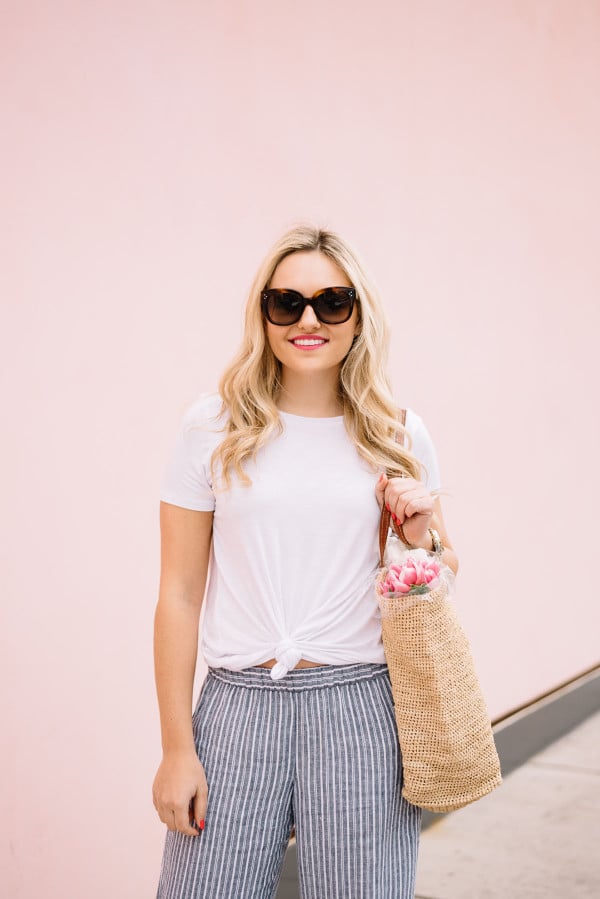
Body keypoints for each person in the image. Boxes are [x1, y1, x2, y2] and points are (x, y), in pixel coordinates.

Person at [152, 224, 459, 899]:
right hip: (236, 707)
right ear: (263, 315)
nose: (309, 319)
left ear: (358, 314)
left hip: (360, 707)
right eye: (286, 303)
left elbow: (441, 568)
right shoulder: (213, 427)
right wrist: (178, 748)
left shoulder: (398, 431)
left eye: (332, 301)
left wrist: (420, 531)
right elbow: (177, 591)